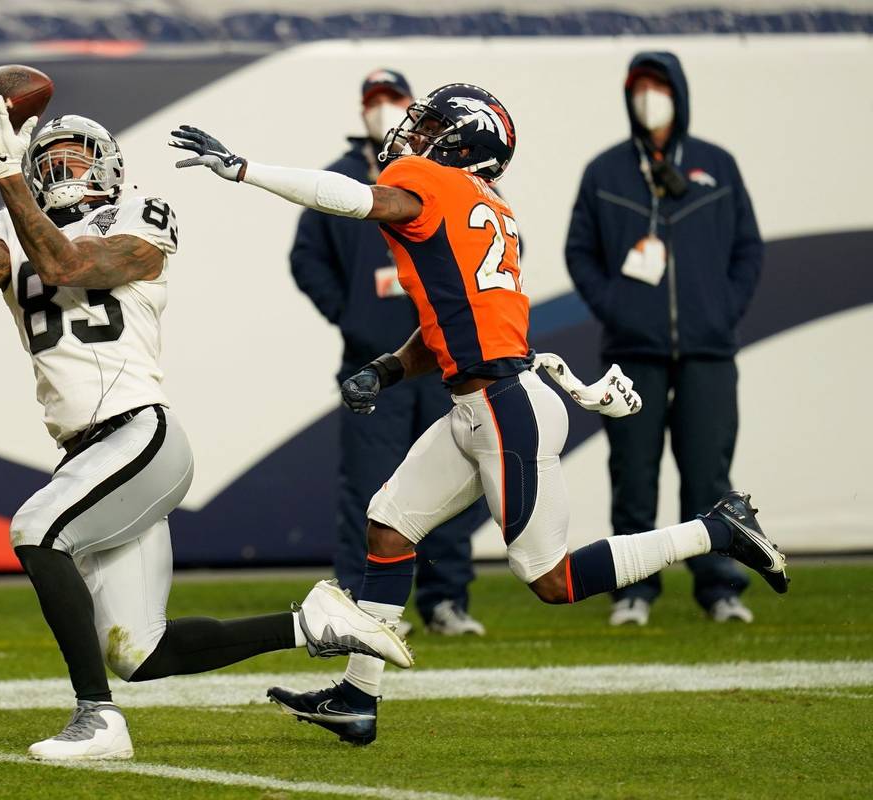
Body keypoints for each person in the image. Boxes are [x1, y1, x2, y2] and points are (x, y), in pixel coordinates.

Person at [169, 81, 787, 745]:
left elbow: (351, 199)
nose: (415, 133)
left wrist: (244, 170)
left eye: (433, 125)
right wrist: (385, 367)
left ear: (465, 140)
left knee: (552, 580)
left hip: (500, 406)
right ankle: (357, 698)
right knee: (388, 527)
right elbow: (451, 327)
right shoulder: (490, 205)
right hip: (483, 400)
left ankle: (716, 531)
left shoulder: (428, 184)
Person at [0, 90, 411, 761]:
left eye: (76, 156)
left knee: (37, 531)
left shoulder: (142, 215)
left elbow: (69, 266)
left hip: (139, 436)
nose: (65, 168)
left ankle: (97, 720)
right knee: (138, 650)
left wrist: (8, 176)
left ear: (109, 165)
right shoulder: (12, 228)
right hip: (87, 453)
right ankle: (313, 623)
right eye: (50, 159)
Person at [564, 51, 764, 627]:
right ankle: (633, 589)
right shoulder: (605, 172)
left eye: (658, 86)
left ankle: (721, 587)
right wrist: (617, 308)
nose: (648, 97)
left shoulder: (715, 166)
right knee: (633, 477)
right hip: (632, 355)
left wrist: (724, 310)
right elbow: (580, 251)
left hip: (708, 351)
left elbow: (749, 248)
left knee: (709, 475)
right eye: (639, 87)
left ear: (678, 92)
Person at [290, 68, 486, 638]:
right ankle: (362, 607)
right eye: (373, 101)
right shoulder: (341, 179)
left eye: (393, 101)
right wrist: (351, 314)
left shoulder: (447, 176)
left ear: (412, 110)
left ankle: (446, 600)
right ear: (362, 111)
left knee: (451, 483)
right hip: (373, 360)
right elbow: (307, 260)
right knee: (370, 486)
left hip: (443, 360)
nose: (382, 110)